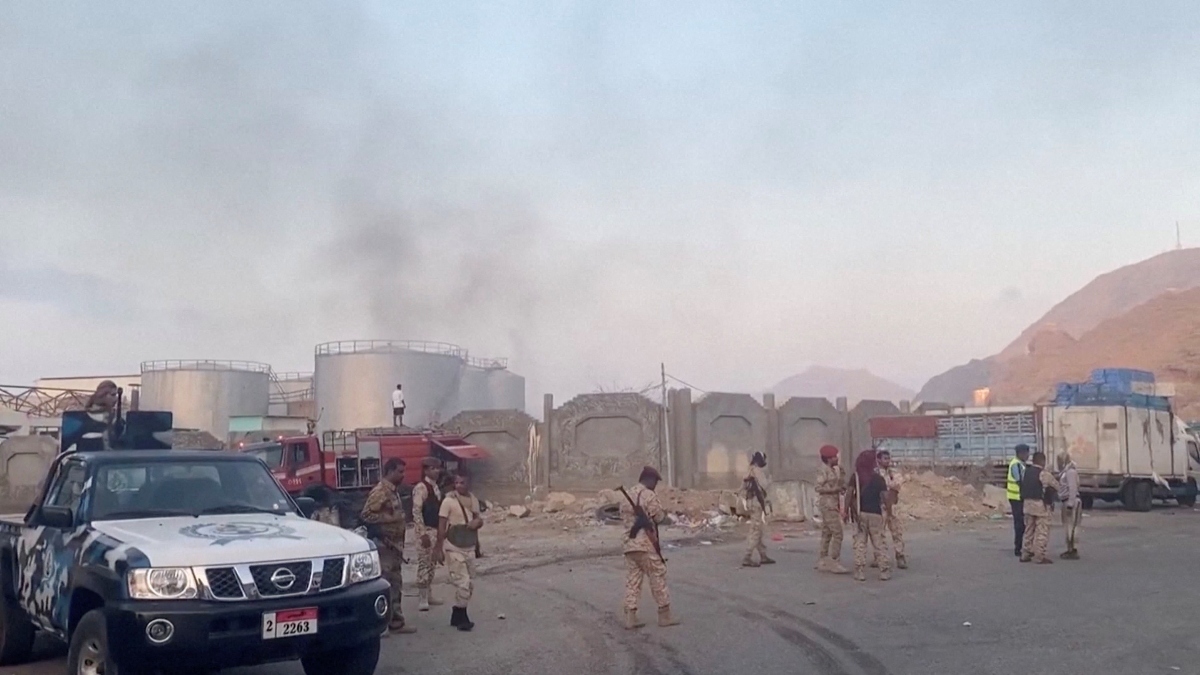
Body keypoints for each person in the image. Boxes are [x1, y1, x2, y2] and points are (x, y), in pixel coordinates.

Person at [360, 458, 415, 634]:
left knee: (396, 583)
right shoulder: (380, 492)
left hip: (395, 547)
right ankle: (382, 624)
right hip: (385, 546)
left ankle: (396, 621)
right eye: (399, 471)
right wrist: (388, 520)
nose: (403, 475)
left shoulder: (393, 491)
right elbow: (366, 515)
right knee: (385, 584)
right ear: (390, 471)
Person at [621, 466, 679, 630]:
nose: (655, 485)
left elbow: (623, 517)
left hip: (629, 545)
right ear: (649, 480)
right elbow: (658, 517)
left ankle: (630, 618)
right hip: (646, 544)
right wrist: (669, 519)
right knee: (657, 576)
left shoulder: (627, 496)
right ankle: (664, 615)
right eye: (655, 482)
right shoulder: (649, 495)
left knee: (633, 581)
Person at [433, 472, 483, 631]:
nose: (459, 485)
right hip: (453, 547)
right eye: (457, 482)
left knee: (470, 584)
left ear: (469, 483)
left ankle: (457, 613)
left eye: (462, 482)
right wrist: (438, 548)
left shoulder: (473, 500)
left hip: (468, 546)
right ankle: (462, 618)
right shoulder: (448, 501)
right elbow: (441, 526)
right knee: (463, 583)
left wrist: (477, 524)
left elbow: (478, 519)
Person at [846, 449, 891, 582]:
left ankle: (859, 571)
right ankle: (884, 571)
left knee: (860, 543)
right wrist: (888, 510)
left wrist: (845, 511)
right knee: (879, 543)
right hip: (875, 514)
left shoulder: (856, 477)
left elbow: (849, 494)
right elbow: (885, 497)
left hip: (860, 514)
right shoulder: (879, 479)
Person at [411, 457, 445, 610]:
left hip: (435, 530)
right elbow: (417, 512)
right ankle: (422, 598)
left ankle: (429, 594)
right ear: (426, 470)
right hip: (425, 531)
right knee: (424, 563)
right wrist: (422, 533)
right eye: (433, 468)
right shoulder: (421, 487)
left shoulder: (436, 487)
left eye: (437, 468)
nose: (436, 471)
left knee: (432, 563)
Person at [1019, 451, 1061, 564]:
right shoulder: (1043, 473)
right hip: (1040, 505)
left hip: (1027, 504)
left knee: (1028, 530)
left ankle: (1025, 553)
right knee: (1042, 530)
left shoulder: (1026, 472)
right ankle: (1039, 555)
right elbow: (1056, 486)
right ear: (1042, 461)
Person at [814, 445, 849, 574]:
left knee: (827, 532)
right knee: (838, 533)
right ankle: (834, 561)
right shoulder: (823, 470)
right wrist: (834, 490)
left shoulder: (835, 469)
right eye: (834, 457)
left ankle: (823, 559)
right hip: (828, 504)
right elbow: (818, 488)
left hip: (833, 503)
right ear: (828, 458)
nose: (837, 459)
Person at [741, 452, 775, 567]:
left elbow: (743, 488)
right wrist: (770, 480)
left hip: (751, 502)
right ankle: (747, 556)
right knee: (755, 530)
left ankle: (763, 555)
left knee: (758, 530)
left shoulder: (748, 470)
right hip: (756, 502)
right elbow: (764, 486)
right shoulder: (757, 471)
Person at [875, 450, 907, 570]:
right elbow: (879, 486)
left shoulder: (893, 472)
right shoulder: (875, 473)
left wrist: (887, 485)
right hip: (880, 506)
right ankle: (879, 556)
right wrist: (888, 486)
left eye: (888, 458)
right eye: (885, 459)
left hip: (892, 505)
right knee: (879, 533)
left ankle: (900, 555)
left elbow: (898, 484)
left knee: (897, 532)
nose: (887, 461)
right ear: (878, 460)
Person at [1007, 444, 1030, 557]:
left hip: (1018, 497)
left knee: (1021, 523)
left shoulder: (1021, 464)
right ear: (1021, 453)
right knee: (1019, 524)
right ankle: (1018, 548)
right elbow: (1019, 481)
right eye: (1026, 453)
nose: (1028, 456)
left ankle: (1021, 546)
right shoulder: (1016, 464)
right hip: (1016, 498)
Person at [1057, 451, 1081, 560]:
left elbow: (1072, 488)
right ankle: (1070, 548)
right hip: (1068, 500)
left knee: (1070, 526)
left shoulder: (1070, 472)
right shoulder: (1066, 472)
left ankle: (1072, 549)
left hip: (1070, 501)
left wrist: (1070, 504)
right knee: (1069, 526)